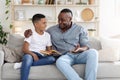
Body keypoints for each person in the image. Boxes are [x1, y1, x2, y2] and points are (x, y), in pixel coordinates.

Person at [24, 9, 98, 80]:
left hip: (79, 55)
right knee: (59, 62)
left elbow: (86, 46)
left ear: (70, 19)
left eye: (63, 20)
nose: (59, 22)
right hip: (65, 57)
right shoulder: (51, 30)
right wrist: (27, 31)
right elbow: (40, 32)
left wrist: (80, 49)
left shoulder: (80, 29)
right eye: (58, 19)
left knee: (93, 52)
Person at [21, 14, 55, 80]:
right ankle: (26, 65)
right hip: (30, 54)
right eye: (43, 23)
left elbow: (49, 50)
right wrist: (33, 54)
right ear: (36, 24)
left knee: (52, 59)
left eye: (46, 23)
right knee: (27, 59)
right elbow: (24, 49)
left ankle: (24, 65)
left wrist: (50, 52)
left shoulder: (47, 35)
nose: (46, 25)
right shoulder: (30, 33)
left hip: (41, 56)